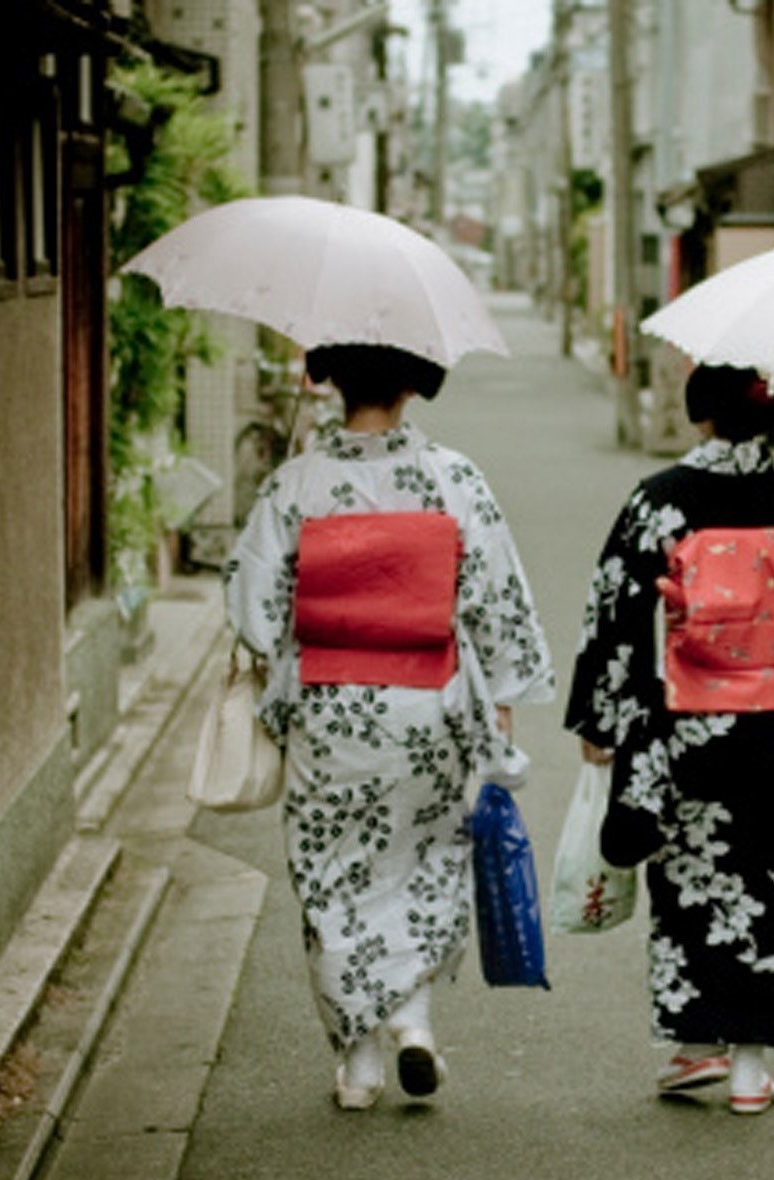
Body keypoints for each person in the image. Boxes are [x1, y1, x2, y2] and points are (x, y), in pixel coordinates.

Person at [224, 343, 554, 1110]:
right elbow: (496, 596)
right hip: (426, 709)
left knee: (333, 878)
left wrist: (298, 639)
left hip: (330, 713)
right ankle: (413, 1024)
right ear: (414, 384)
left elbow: (251, 605)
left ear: (330, 379)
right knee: (422, 862)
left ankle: (360, 1066)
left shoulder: (295, 483)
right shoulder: (453, 477)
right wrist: (499, 696)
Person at [564, 363, 774, 1116]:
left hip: (689, 729)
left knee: (691, 884)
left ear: (700, 413)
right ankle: (748, 1069)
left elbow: (612, 612)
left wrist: (603, 720)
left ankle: (695, 1048)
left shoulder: (662, 500)